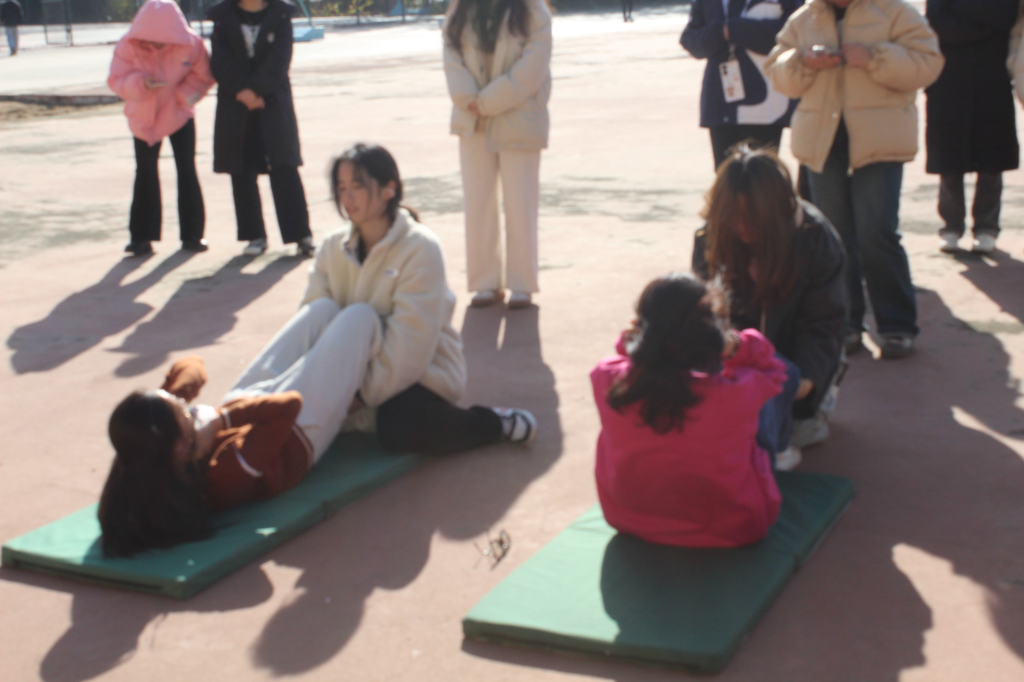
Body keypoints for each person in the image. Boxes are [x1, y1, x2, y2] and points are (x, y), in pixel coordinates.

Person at [98, 143, 538, 558]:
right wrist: (308, 394)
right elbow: (310, 325)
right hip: (324, 387)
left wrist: (355, 397)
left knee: (397, 421)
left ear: (389, 189)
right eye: (341, 188)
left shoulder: (419, 248)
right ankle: (274, 400)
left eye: (358, 186)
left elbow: (411, 345)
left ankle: (490, 423)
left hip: (414, 374)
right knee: (335, 311)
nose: (348, 197)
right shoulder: (333, 248)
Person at [764, 0, 943, 359]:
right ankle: (844, 324)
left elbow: (928, 64)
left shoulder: (895, 12)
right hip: (823, 142)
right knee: (834, 237)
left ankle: (896, 325)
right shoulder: (806, 17)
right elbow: (776, 70)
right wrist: (802, 61)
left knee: (878, 232)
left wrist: (875, 57)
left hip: (881, 142)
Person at [591, 274, 793, 548]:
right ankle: (785, 449)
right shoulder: (736, 392)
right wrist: (734, 344)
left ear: (641, 328)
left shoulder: (606, 378)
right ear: (709, 334)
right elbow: (776, 372)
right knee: (771, 389)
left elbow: (626, 354)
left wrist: (637, 340)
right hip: (734, 528)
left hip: (627, 520)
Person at [692, 147, 847, 457]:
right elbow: (703, 317)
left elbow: (825, 324)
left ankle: (818, 403)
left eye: (752, 218)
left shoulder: (816, 239)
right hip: (736, 358)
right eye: (733, 217)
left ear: (777, 211)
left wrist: (804, 382)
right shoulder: (712, 236)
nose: (741, 227)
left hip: (791, 363)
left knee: (792, 435)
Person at [443, 0, 552, 309]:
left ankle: (522, 284)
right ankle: (485, 282)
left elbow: (532, 69)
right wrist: (468, 98)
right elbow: (451, 58)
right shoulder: (459, 9)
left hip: (518, 118)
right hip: (472, 118)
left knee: (521, 204)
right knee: (477, 204)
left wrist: (488, 101)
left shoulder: (533, 11)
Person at [207, 0, 315, 258]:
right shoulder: (222, 17)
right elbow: (220, 61)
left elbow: (280, 60)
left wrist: (257, 90)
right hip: (236, 104)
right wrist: (242, 91)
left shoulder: (281, 15)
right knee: (241, 167)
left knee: (284, 165)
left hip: (273, 102)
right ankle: (254, 235)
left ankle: (300, 234)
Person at [107, 0, 215, 257]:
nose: (157, 46)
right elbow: (116, 79)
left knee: (186, 169)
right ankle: (141, 238)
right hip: (143, 116)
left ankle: (193, 235)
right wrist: (140, 84)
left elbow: (204, 77)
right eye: (152, 42)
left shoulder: (192, 44)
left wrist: (181, 98)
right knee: (145, 172)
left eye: (164, 42)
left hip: (179, 113)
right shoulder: (128, 44)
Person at [926, 0, 1020, 255]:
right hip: (948, 79)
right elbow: (937, 20)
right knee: (949, 160)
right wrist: (984, 25)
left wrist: (962, 13)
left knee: (992, 160)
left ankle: (987, 228)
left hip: (993, 78)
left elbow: (1006, 15)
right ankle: (951, 227)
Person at [681, 0, 804, 170]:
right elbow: (691, 41)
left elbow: (796, 34)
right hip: (723, 105)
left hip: (767, 106)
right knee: (727, 180)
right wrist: (721, 31)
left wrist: (736, 29)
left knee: (764, 179)